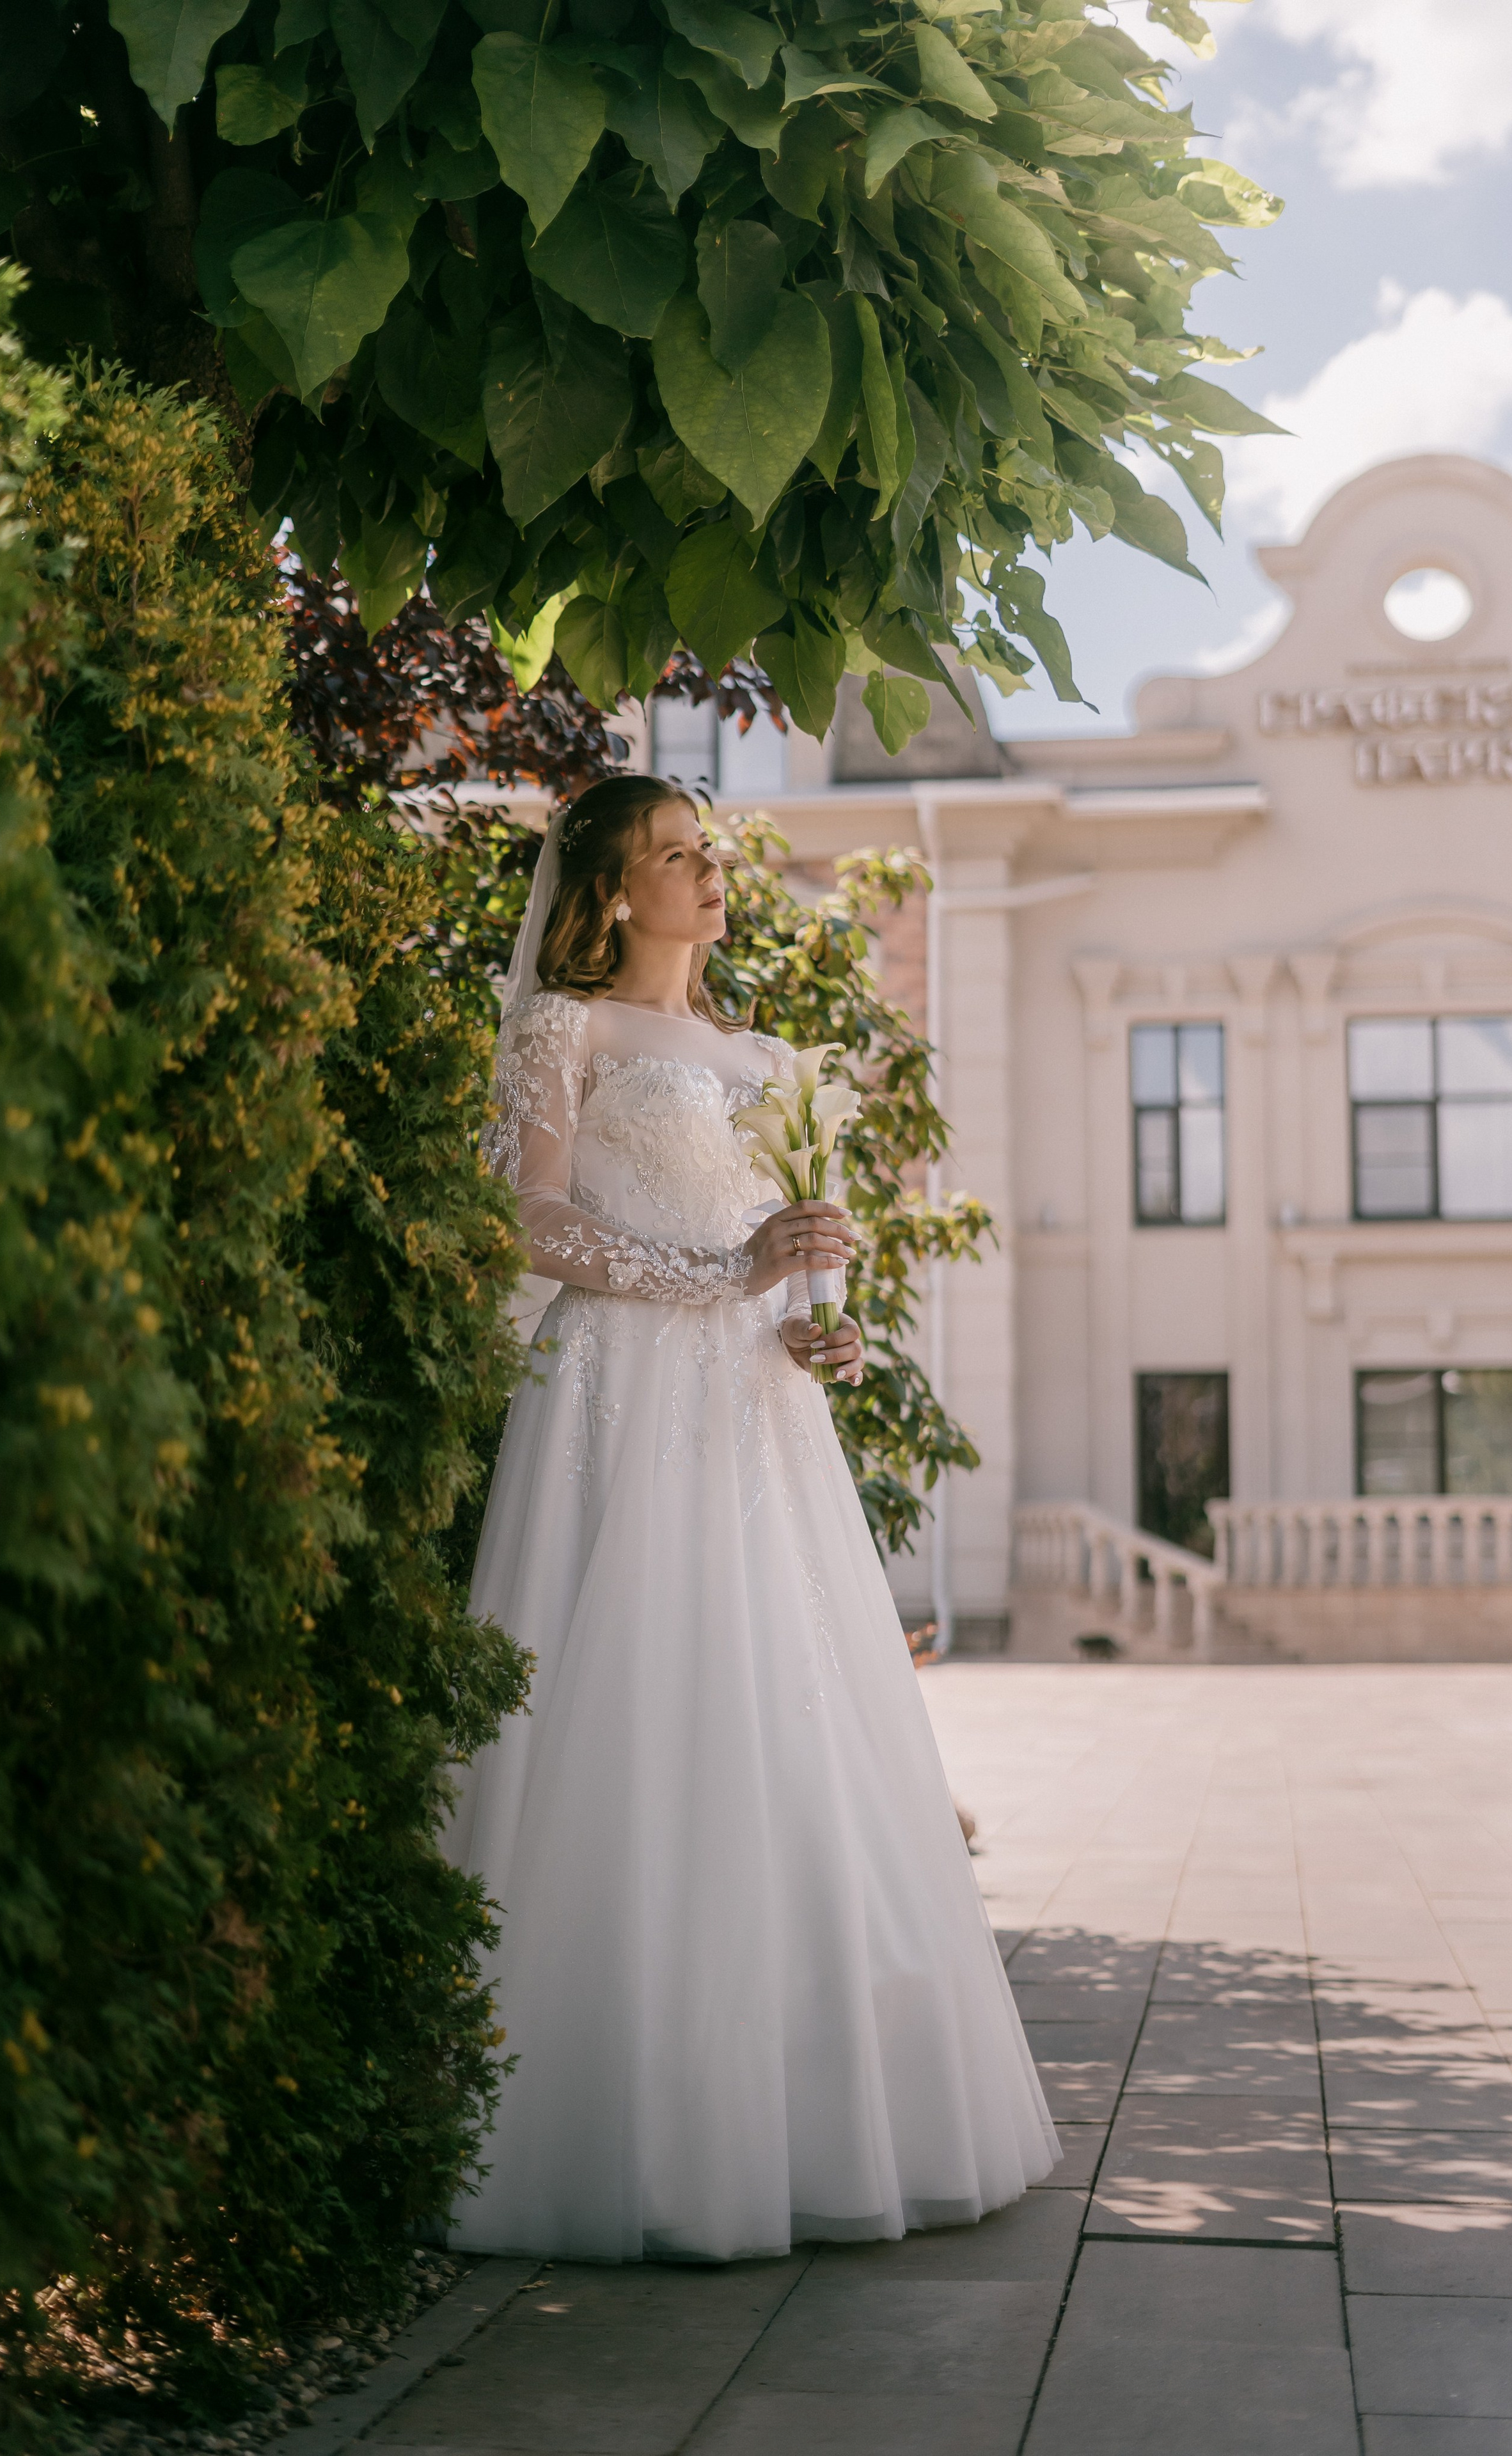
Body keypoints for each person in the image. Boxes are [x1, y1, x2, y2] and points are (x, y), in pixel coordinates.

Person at [444, 774, 1055, 2263]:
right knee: (626, 1712)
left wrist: (812, 1315)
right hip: (614, 1400)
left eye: (707, 853)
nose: (706, 875)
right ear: (607, 892)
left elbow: (781, 1247)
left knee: (782, 1720)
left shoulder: (760, 1057)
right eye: (672, 857)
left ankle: (806, 2114)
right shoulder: (561, 1030)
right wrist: (714, 1279)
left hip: (754, 1417)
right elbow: (523, 1219)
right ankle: (601, 2125)